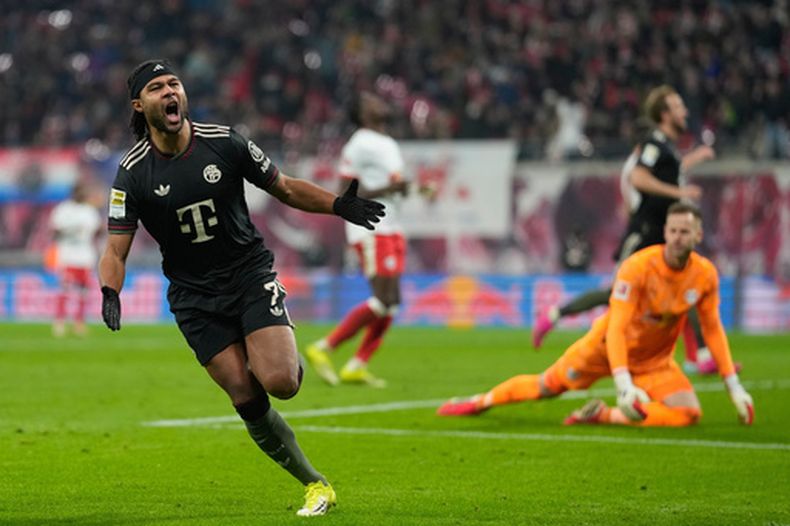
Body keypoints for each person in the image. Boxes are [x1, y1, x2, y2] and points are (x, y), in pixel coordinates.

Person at [98, 59, 385, 517]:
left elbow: (284, 187)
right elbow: (116, 250)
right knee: (245, 395)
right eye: (157, 88)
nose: (170, 92)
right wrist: (110, 292)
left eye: (174, 83)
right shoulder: (132, 173)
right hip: (193, 297)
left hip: (247, 274)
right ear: (139, 105)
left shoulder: (225, 142)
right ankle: (315, 484)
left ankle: (277, 346)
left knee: (281, 383)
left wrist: (337, 205)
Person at [438, 203, 754, 427]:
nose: (677, 237)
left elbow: (712, 328)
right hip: (604, 349)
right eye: (673, 230)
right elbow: (617, 327)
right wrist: (623, 383)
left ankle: (604, 415)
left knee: (688, 414)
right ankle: (480, 402)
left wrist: (733, 385)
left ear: (698, 235)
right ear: (665, 232)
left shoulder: (705, 275)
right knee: (547, 386)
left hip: (653, 362)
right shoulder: (638, 267)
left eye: (685, 231)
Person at [532, 86, 715, 359]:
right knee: (617, 292)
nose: (684, 111)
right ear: (664, 114)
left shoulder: (665, 149)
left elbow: (668, 172)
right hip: (645, 234)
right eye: (678, 106)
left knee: (687, 285)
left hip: (665, 233)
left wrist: (693, 160)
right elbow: (638, 179)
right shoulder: (652, 146)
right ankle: (555, 315)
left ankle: (701, 355)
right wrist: (679, 193)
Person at [305, 91, 423, 388]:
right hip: (371, 228)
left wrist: (412, 189)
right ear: (362, 113)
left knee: (392, 303)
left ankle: (357, 365)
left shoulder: (387, 142)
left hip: (393, 226)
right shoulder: (358, 145)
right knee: (383, 299)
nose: (379, 101)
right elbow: (346, 192)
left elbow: (391, 185)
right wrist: (389, 189)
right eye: (370, 100)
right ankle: (323, 347)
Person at [49, 182, 102, 337]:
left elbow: (98, 232)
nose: (83, 194)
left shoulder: (89, 211)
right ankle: (59, 322)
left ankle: (79, 322)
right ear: (74, 193)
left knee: (83, 291)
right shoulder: (63, 209)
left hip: (85, 256)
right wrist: (68, 231)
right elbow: (54, 232)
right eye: (81, 191)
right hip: (67, 255)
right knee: (65, 289)